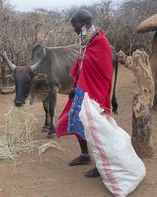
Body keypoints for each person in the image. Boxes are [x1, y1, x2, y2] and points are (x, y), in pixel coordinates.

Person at [57, 9, 114, 178]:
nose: (73, 29)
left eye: (74, 26)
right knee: (76, 120)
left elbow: (103, 72)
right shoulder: (87, 41)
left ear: (82, 24)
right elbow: (83, 67)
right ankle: (84, 155)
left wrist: (87, 89)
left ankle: (101, 164)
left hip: (95, 92)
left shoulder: (100, 41)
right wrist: (76, 87)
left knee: (95, 127)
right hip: (83, 89)